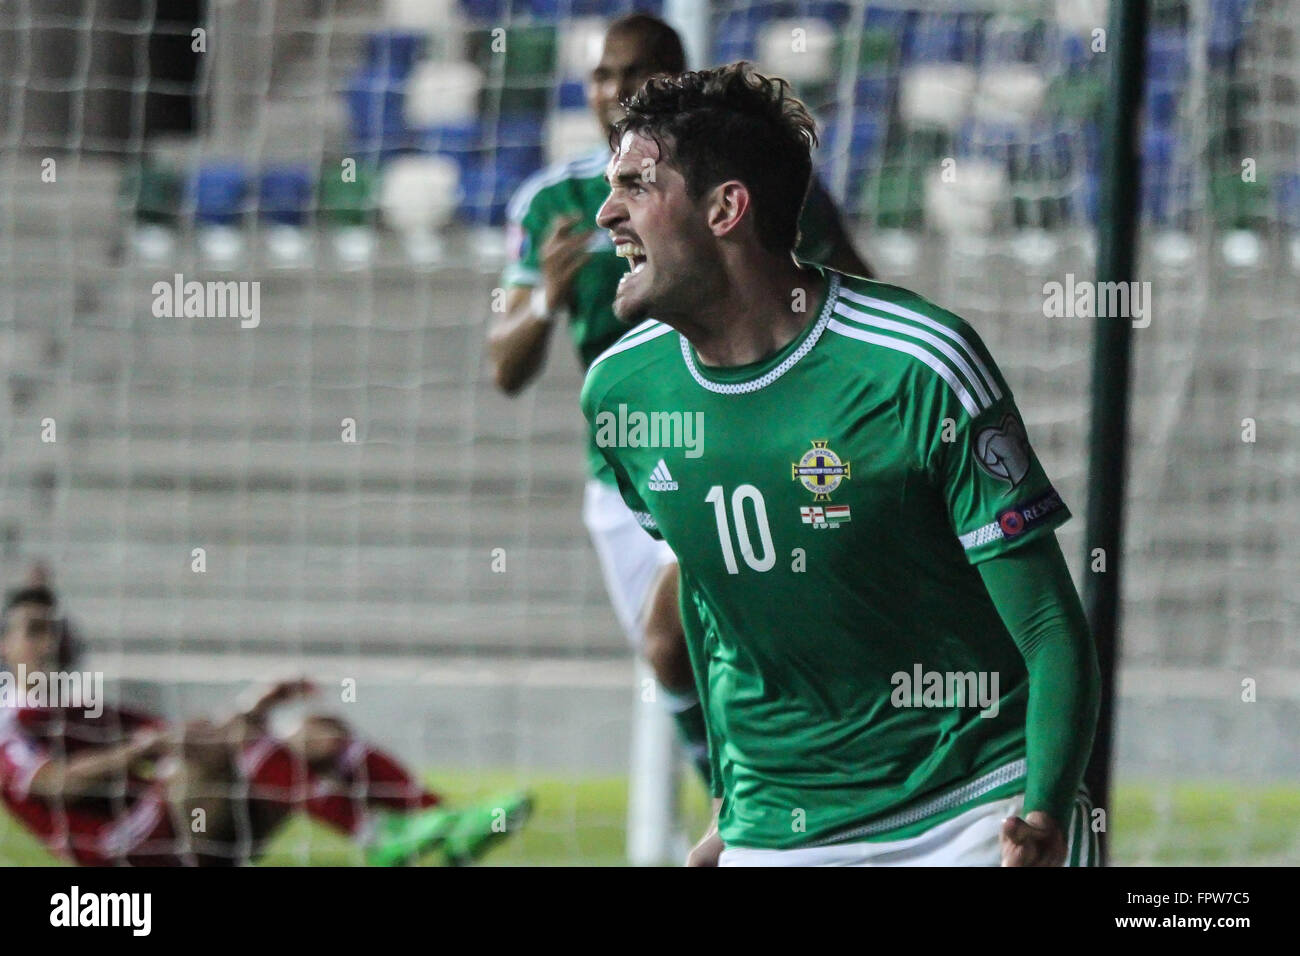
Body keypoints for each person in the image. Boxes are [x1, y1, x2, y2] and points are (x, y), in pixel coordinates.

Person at [581, 63, 1100, 866]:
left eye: (636, 186)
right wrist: (732, 802)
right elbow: (713, 608)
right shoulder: (622, 393)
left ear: (725, 208)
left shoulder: (918, 364)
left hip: (972, 810)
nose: (606, 211)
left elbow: (1047, 626)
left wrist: (1045, 812)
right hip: (779, 827)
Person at [488, 14, 870, 786]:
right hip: (629, 472)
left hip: (746, 443)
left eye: (636, 73)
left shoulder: (745, 183)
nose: (616, 91)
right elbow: (505, 367)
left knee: (690, 638)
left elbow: (856, 290)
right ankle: (747, 810)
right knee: (677, 659)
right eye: (601, 75)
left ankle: (776, 809)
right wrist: (546, 303)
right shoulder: (553, 205)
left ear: (675, 77)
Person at [0, 573, 532, 866]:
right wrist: (143, 752)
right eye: (34, 631)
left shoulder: (78, 706)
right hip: (124, 853)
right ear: (4, 646)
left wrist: (255, 703)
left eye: (54, 629)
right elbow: (54, 783)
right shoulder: (10, 723)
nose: (50, 641)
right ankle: (374, 834)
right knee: (238, 744)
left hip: (184, 832)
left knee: (318, 735)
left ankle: (444, 823)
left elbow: (190, 736)